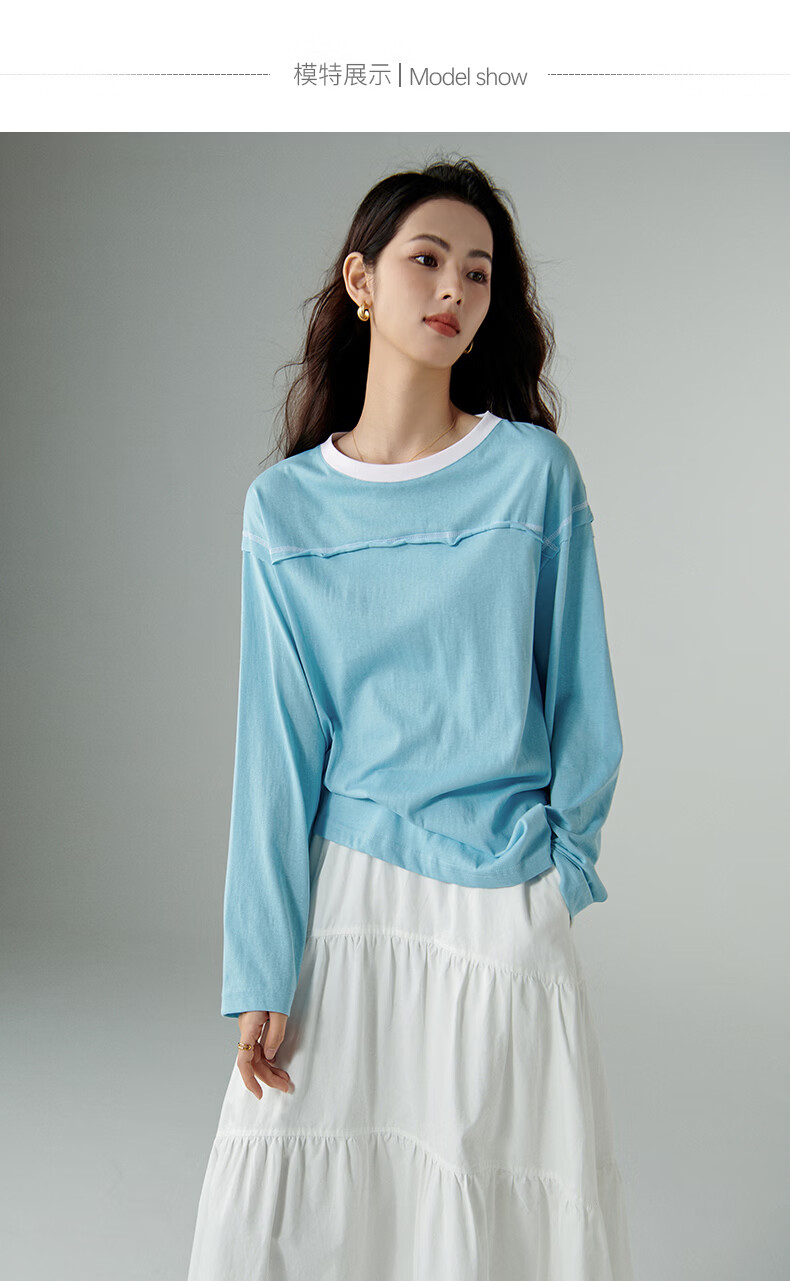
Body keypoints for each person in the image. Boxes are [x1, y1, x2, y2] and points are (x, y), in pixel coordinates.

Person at [187, 155, 636, 1280]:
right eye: (426, 259)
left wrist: (559, 876)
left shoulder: (532, 476)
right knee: (314, 1195)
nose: (453, 289)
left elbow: (582, 698)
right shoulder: (285, 508)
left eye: (478, 273)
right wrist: (260, 968)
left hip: (503, 898)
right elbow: (275, 751)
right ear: (361, 280)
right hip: (350, 899)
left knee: (489, 1196)